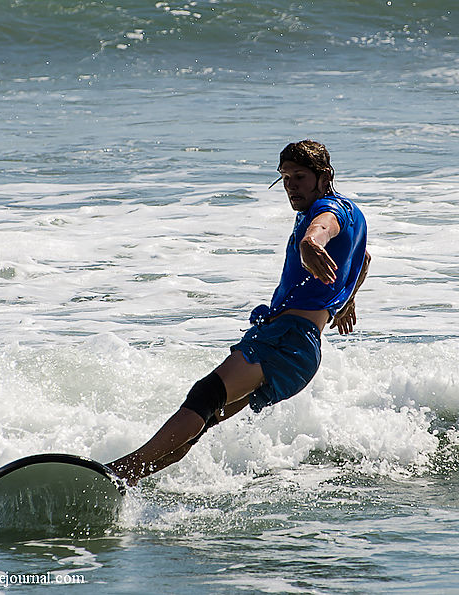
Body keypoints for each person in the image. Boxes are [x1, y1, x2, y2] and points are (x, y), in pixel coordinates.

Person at [108, 140, 370, 485]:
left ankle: (117, 472)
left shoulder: (327, 210)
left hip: (283, 340)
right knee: (201, 421)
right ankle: (129, 480)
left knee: (204, 396)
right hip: (300, 349)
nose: (290, 185)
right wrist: (347, 299)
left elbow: (322, 229)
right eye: (285, 177)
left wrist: (309, 243)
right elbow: (363, 260)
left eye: (299, 177)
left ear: (323, 177)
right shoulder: (355, 214)